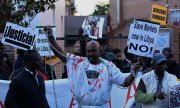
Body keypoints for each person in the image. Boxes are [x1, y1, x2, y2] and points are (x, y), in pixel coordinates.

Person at [44, 25, 140, 107]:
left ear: (99, 51)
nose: (91, 53)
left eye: (94, 50)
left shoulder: (108, 67)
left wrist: (133, 73)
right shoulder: (78, 63)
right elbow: (60, 53)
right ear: (86, 52)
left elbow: (125, 82)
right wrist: (50, 37)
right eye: (88, 51)